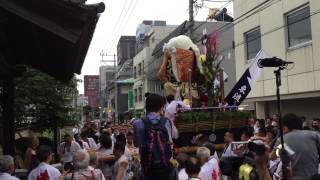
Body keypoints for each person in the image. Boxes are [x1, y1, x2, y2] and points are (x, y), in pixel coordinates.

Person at [133, 93, 174, 180]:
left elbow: (137, 144)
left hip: (147, 168)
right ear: (161, 106)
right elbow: (170, 141)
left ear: (146, 107)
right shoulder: (166, 122)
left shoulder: (137, 123)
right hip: (164, 168)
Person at [275, 113, 320, 180]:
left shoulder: (281, 140)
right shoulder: (314, 135)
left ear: (285, 128)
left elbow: (273, 157)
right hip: (314, 177)